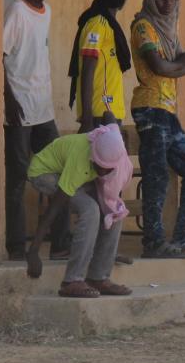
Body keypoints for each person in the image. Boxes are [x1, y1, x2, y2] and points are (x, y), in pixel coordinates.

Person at [129, 0, 185, 259]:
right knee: (156, 177)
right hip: (150, 108)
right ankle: (153, 242)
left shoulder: (169, 31)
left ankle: (182, 241)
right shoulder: (143, 26)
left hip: (167, 111)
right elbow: (159, 66)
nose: (168, 4)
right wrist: (177, 64)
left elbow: (176, 66)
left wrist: (173, 66)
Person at [3, 0, 71, 261]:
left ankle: (60, 242)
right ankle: (16, 245)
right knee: (18, 177)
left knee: (61, 172)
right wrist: (9, 100)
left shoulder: (47, 11)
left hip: (44, 110)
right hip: (19, 109)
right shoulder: (17, 11)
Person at [25, 119, 134, 298]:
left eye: (109, 169)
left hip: (72, 174)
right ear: (93, 156)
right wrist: (34, 251)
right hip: (44, 173)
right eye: (100, 167)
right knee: (90, 210)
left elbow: (110, 116)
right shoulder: (80, 160)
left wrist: (106, 250)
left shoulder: (118, 157)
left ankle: (98, 277)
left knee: (114, 212)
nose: (104, 173)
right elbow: (54, 208)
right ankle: (71, 281)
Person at [69, 0, 132, 132]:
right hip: (100, 113)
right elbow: (88, 69)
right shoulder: (98, 23)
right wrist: (87, 118)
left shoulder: (109, 24)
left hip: (110, 111)